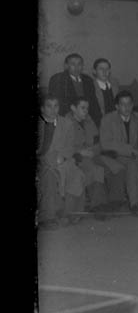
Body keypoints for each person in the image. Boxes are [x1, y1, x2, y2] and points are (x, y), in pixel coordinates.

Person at [37, 95, 88, 228]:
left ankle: (69, 213)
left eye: (56, 106)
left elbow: (70, 146)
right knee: (49, 174)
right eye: (49, 106)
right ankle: (47, 217)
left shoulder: (67, 123)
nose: (53, 110)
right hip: (42, 161)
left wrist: (62, 157)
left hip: (62, 159)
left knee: (75, 173)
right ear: (42, 108)